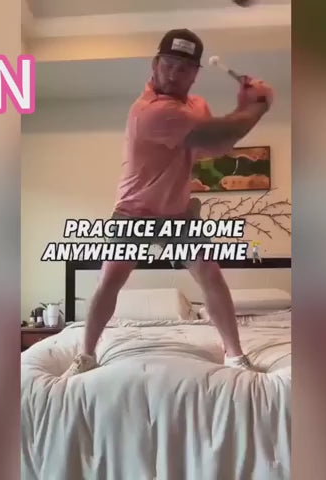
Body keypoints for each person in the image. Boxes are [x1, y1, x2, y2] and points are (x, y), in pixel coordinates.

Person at [62, 28, 274, 377]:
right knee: (110, 280)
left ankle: (235, 354)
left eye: (185, 68)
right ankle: (86, 354)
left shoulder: (196, 106)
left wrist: (244, 108)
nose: (175, 74)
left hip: (179, 215)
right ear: (155, 64)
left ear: (196, 74)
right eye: (169, 64)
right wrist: (257, 107)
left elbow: (217, 144)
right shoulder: (149, 111)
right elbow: (219, 134)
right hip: (134, 214)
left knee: (210, 275)